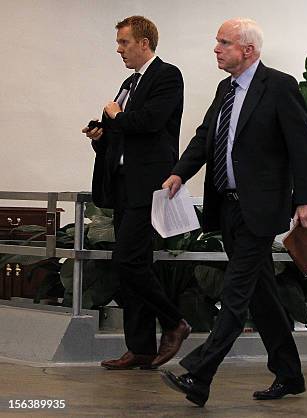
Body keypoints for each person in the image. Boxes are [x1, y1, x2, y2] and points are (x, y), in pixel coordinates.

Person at [159, 18, 307, 407]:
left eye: (224, 42)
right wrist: (180, 172)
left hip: (260, 209)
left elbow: (302, 145)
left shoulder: (279, 86)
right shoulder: (224, 89)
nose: (216, 48)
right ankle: (290, 374)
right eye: (217, 42)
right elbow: (205, 137)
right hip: (227, 207)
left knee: (235, 293)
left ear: (248, 50)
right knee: (261, 294)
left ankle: (199, 372)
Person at [82, 16, 190, 370]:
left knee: (127, 261)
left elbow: (149, 123)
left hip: (149, 185)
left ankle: (174, 322)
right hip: (123, 185)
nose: (119, 49)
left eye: (124, 43)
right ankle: (141, 347)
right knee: (135, 264)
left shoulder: (167, 76)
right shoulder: (128, 82)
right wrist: (102, 135)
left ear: (144, 43)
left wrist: (115, 116)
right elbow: (119, 135)